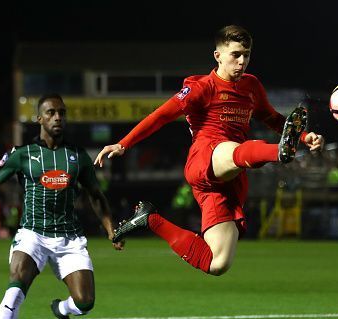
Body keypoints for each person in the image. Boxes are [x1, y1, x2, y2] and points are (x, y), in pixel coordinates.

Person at [95, 25, 324, 276]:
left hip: (229, 178)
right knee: (237, 151)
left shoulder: (251, 86)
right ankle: (278, 152)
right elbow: (161, 116)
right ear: (218, 56)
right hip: (206, 157)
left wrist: (303, 136)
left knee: (218, 263)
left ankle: (149, 218)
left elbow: (271, 117)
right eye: (235, 55)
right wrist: (123, 143)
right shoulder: (201, 88)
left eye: (246, 55)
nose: (242, 61)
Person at [0, 94, 124, 319]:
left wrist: (111, 230)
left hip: (69, 238)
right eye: (51, 113)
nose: (58, 117)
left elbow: (96, 197)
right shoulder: (22, 154)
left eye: (62, 112)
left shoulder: (77, 156)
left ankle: (61, 309)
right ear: (39, 119)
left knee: (85, 303)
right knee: (16, 286)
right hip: (32, 235)